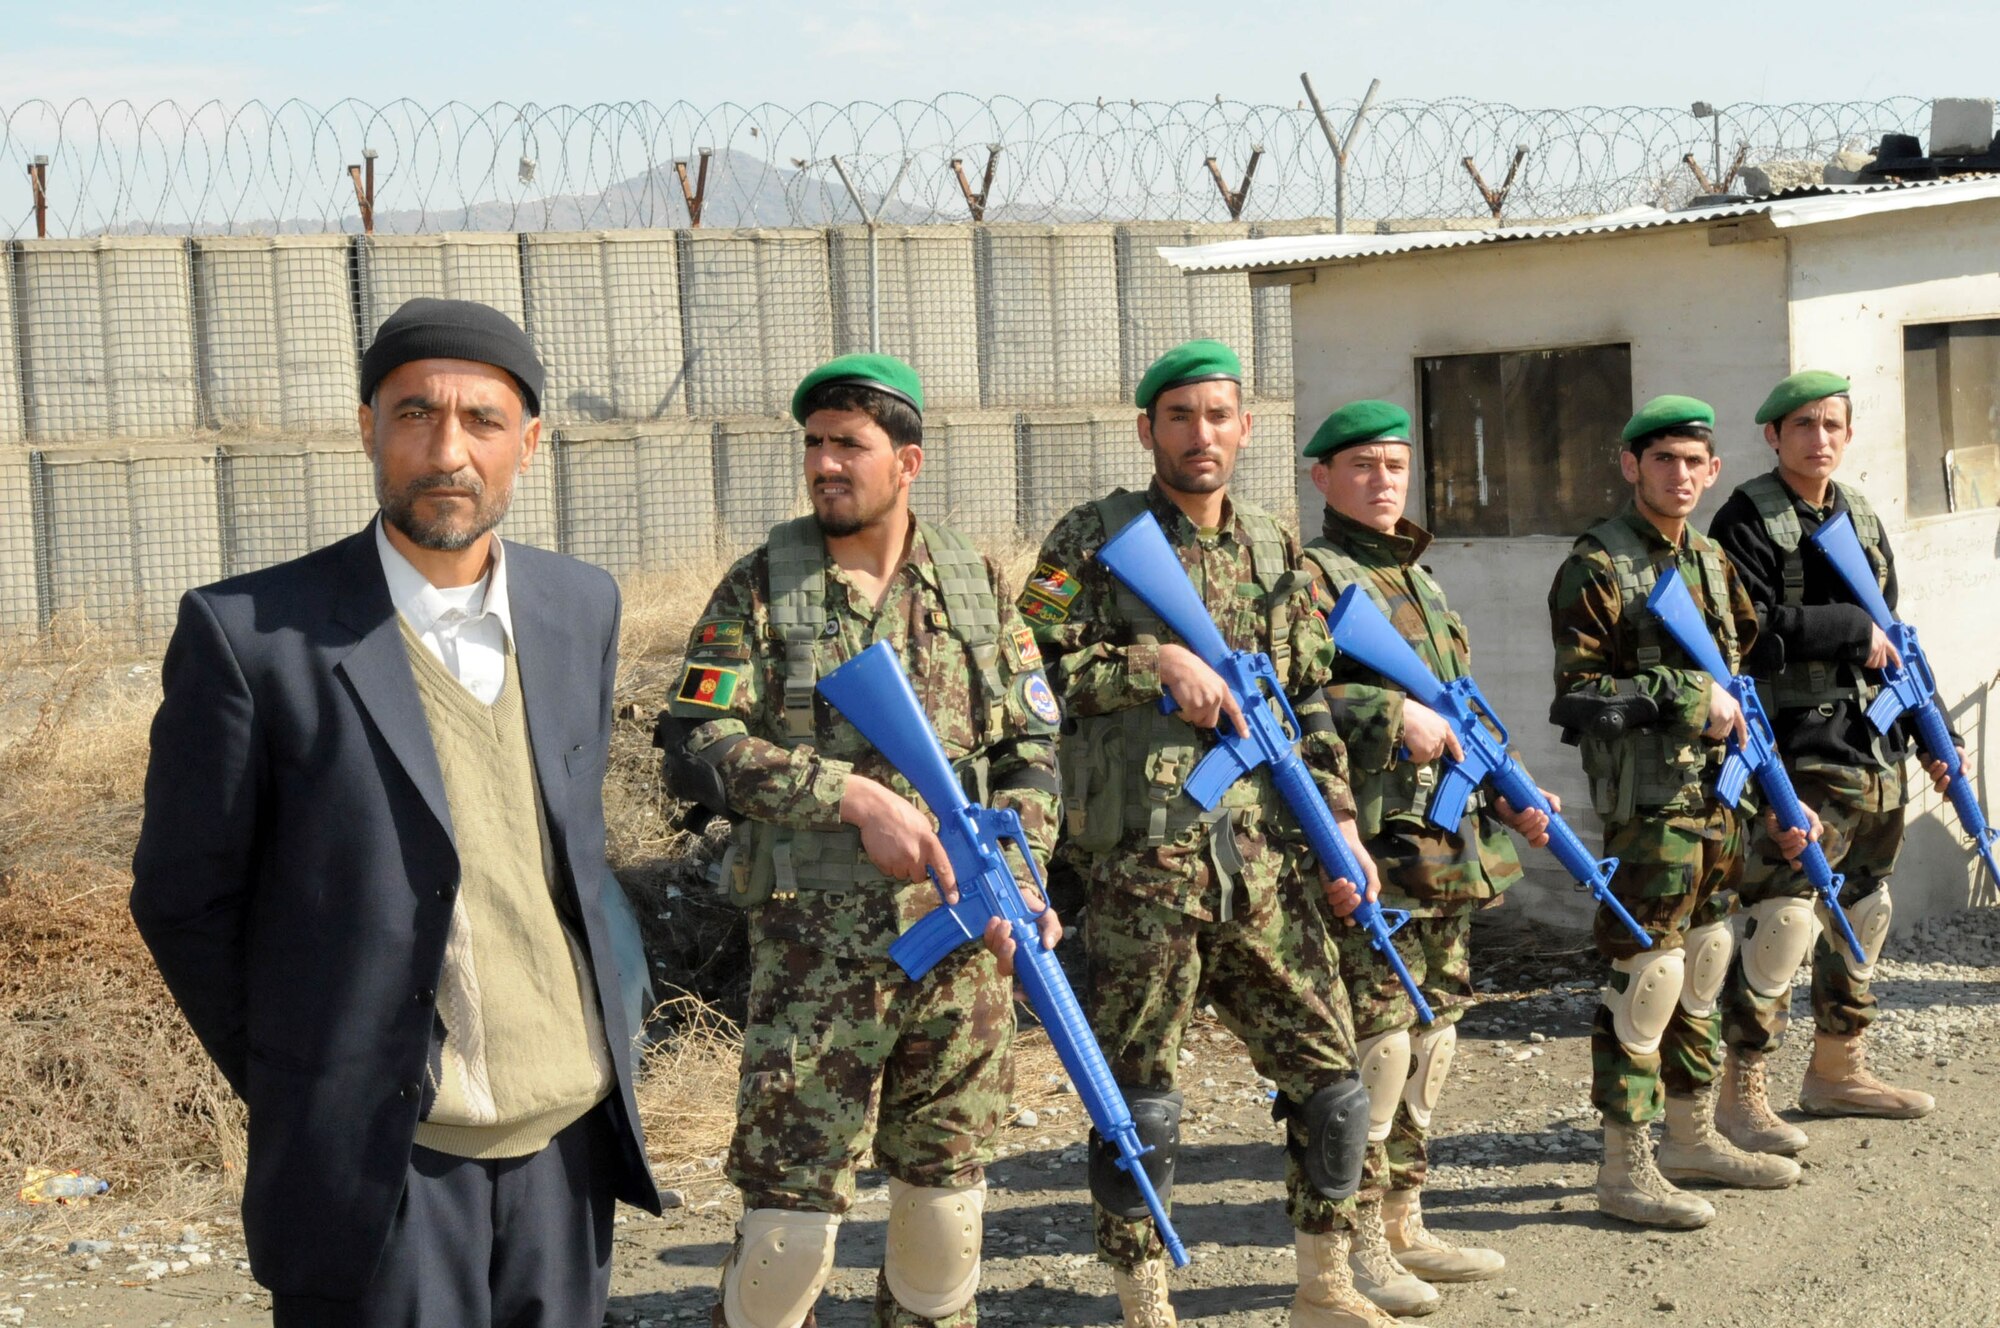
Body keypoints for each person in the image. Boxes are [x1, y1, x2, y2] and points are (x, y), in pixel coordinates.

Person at [130, 297, 662, 1326]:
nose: (446, 449)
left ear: (530, 442)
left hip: (564, 1148)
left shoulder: (576, 606)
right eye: (415, 414)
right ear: (368, 425)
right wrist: (314, 1073)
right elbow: (183, 898)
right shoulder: (255, 637)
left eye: (482, 420)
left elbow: (566, 856)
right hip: (387, 1169)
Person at [656, 354, 1063, 1328]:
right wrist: (844, 797)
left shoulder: (971, 584)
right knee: (787, 1236)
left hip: (961, 948)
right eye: (814, 444)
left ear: (906, 460)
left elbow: (1031, 744)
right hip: (813, 958)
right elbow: (695, 742)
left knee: (942, 1217)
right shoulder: (764, 583)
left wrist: (1022, 869)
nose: (826, 463)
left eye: (850, 443)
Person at [1025, 340, 1393, 1328]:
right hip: (1141, 864)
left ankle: (1324, 1279)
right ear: (1148, 430)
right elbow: (1021, 676)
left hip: (1263, 862)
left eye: (1218, 415)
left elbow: (1306, 700)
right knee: (1137, 1096)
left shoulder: (1275, 549)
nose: (1201, 434)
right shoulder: (1090, 536)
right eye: (1179, 416)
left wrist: (1341, 824)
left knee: (1331, 1082)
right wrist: (1151, 662)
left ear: (1242, 427)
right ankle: (1142, 1293)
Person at [1301, 400, 1557, 1312]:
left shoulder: (1423, 582)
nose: (1382, 481)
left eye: (1396, 466)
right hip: (1373, 840)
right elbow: (1295, 697)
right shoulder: (1313, 577)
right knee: (1376, 1041)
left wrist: (1516, 788)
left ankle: (1406, 1217)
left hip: (1445, 845)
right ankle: (1359, 1236)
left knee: (1432, 1031)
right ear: (1322, 477)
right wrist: (1384, 715)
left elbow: (1459, 705)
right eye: (1362, 466)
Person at [1546, 395, 1812, 1230]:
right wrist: (1683, 693)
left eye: (1696, 462)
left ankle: (1693, 1136)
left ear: (1714, 470)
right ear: (1631, 466)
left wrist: (1777, 794)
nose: (1682, 475)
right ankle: (1625, 1167)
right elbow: (1579, 699)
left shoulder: (1708, 560)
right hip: (1650, 810)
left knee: (1704, 963)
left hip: (1719, 806)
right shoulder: (1598, 565)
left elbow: (1743, 693)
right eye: (1664, 459)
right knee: (1644, 980)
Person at [1708, 370, 1958, 1149]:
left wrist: (1934, 737)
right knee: (1783, 917)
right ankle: (1741, 1088)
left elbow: (1898, 641)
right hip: (1798, 750)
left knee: (1863, 907)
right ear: (1773, 437)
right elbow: (1737, 629)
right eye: (1804, 426)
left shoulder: (1862, 515)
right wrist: (1847, 626)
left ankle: (1837, 1068)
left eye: (1833, 426)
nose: (1821, 439)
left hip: (1872, 749)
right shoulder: (1747, 516)